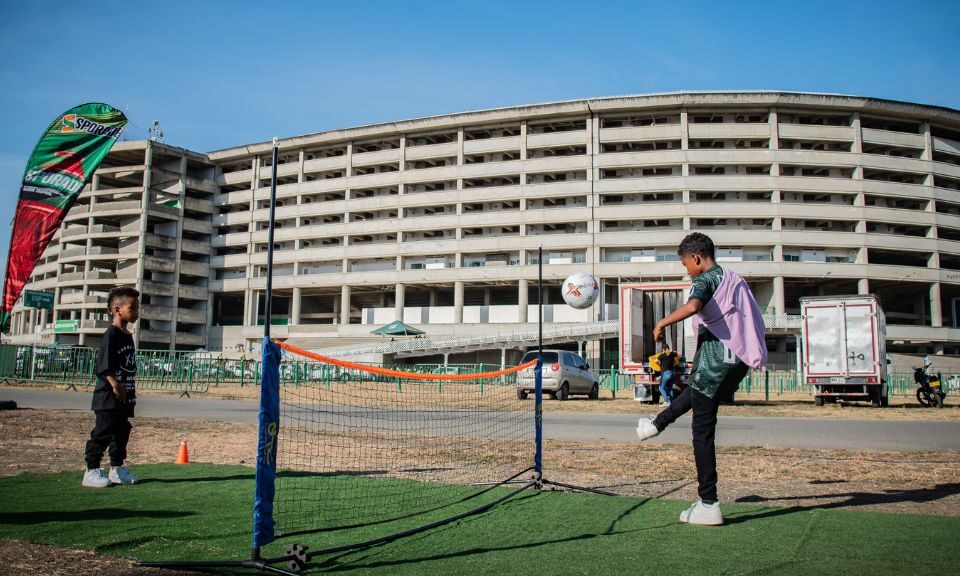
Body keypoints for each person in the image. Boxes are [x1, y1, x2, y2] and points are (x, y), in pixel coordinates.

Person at [636, 233, 766, 525]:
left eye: (685, 265)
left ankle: (708, 503)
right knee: (696, 395)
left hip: (715, 359)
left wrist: (662, 322)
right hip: (735, 359)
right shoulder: (731, 278)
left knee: (702, 432)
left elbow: (694, 306)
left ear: (696, 258)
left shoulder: (705, 280)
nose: (686, 270)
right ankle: (656, 424)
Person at [82, 286, 141, 488]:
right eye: (132, 308)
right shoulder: (111, 334)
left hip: (125, 396)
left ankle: (117, 469)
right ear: (117, 310)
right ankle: (91, 471)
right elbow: (104, 366)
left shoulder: (127, 335)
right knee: (103, 432)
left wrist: (128, 391)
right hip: (108, 397)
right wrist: (115, 385)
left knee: (121, 432)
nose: (136, 312)